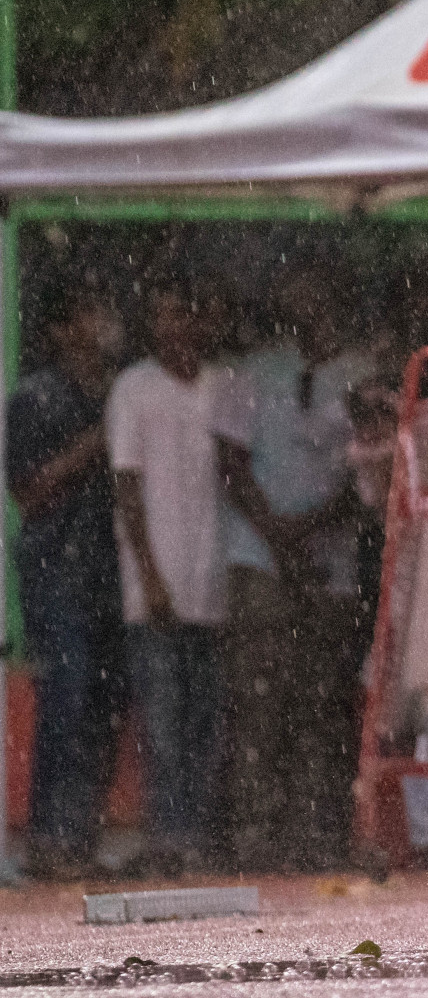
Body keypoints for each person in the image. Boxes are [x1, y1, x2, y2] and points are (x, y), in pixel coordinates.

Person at [213, 271, 372, 871]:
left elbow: (374, 468)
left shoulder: (359, 376)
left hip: (329, 565)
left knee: (323, 703)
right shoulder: (250, 372)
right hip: (257, 558)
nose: (310, 309)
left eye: (321, 298)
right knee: (257, 702)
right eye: (299, 297)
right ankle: (256, 838)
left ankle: (318, 835)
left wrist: (310, 530)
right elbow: (229, 464)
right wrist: (279, 533)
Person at [107, 278, 227, 875]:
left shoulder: (221, 385)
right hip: (154, 585)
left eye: (183, 310)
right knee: (163, 723)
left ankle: (194, 837)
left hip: (212, 584)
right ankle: (169, 838)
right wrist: (150, 575)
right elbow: (126, 487)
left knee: (204, 719)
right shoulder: (134, 387)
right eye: (164, 313)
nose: (175, 325)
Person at [8, 289, 127, 880]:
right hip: (56, 563)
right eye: (90, 308)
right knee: (68, 692)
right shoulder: (34, 397)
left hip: (111, 563)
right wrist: (94, 442)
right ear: (61, 329)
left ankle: (81, 836)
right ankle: (49, 837)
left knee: (106, 700)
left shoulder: (116, 390)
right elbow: (29, 491)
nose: (104, 319)